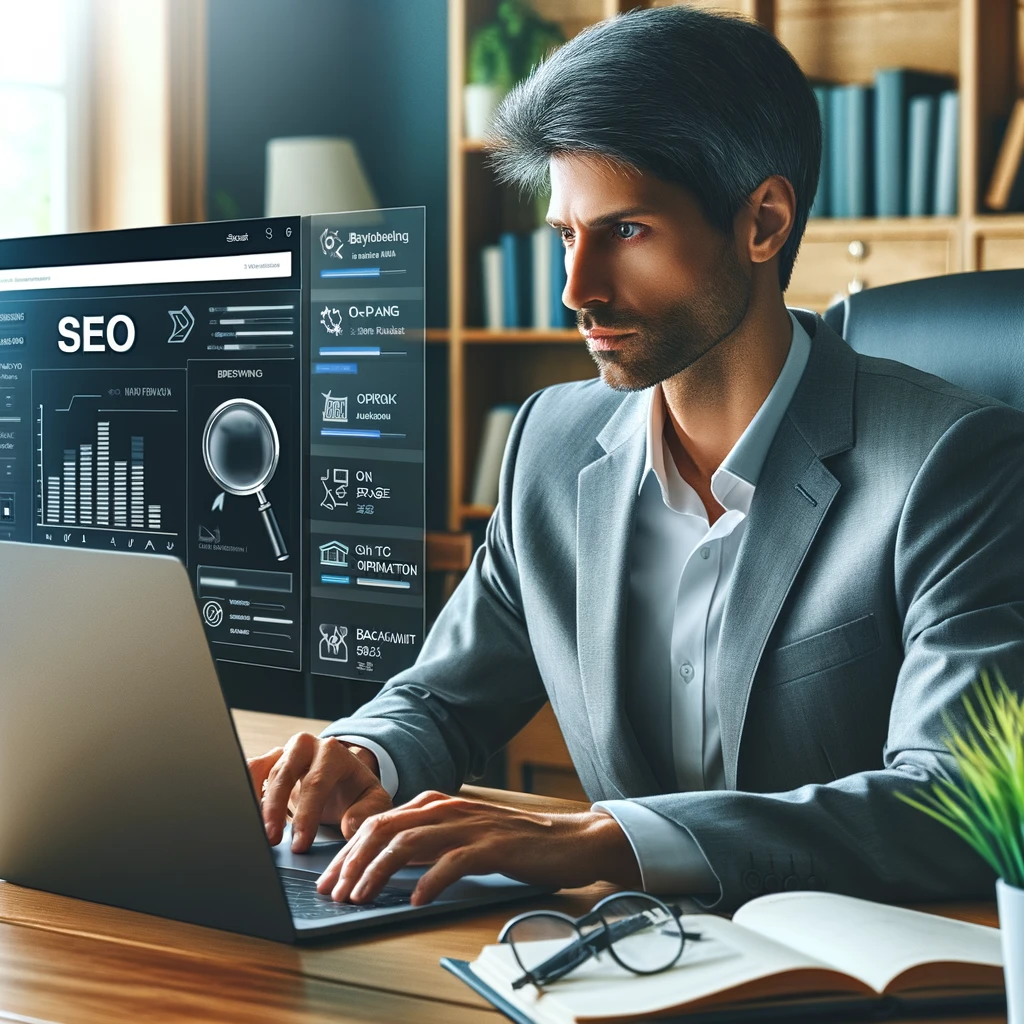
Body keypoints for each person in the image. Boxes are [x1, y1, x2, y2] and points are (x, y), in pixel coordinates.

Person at [249, 6, 1024, 911]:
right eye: (566, 237)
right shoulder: (549, 444)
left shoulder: (957, 463)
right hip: (620, 965)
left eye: (625, 232)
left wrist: (603, 839)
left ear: (764, 222)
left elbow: (959, 802)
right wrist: (363, 753)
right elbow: (445, 696)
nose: (577, 290)